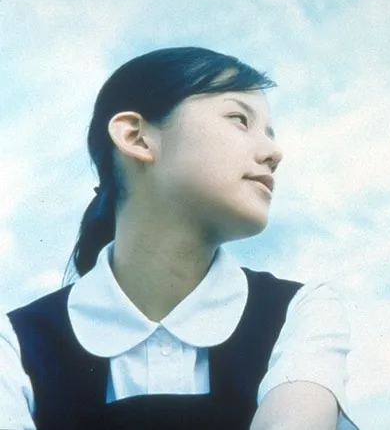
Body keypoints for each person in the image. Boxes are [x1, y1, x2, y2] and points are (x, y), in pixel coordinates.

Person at [0, 47, 357, 429]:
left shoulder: (300, 310)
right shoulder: (14, 344)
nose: (274, 152)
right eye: (240, 119)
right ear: (136, 138)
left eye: (270, 133)